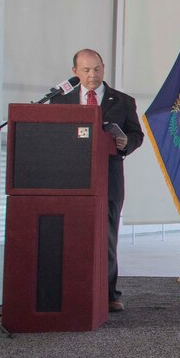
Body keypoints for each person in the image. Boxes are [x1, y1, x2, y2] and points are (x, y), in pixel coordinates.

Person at [51, 49, 144, 313]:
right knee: (71, 235)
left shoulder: (123, 101)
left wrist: (127, 142)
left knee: (107, 237)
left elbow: (137, 134)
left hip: (109, 179)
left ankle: (108, 294)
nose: (92, 75)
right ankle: (72, 291)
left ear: (104, 68)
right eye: (86, 70)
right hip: (71, 180)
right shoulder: (60, 102)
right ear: (75, 72)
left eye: (97, 69)